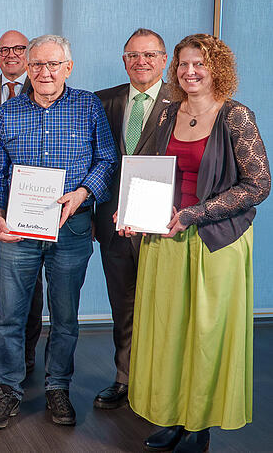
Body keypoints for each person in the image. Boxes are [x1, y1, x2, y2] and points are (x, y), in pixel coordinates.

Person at [126, 34, 270, 453]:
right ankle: (173, 417)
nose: (190, 72)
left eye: (199, 64)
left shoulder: (236, 116)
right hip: (165, 237)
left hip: (216, 242)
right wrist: (130, 210)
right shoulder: (167, 113)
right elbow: (148, 169)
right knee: (168, 333)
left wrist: (194, 214)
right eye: (184, 64)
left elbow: (258, 185)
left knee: (206, 338)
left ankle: (199, 426)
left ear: (216, 68)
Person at [0, 35, 116, 429]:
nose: (45, 72)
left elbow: (107, 160)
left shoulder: (88, 106)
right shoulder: (9, 111)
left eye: (53, 64)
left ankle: (58, 387)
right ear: (27, 67)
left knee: (65, 316)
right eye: (37, 64)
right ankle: (8, 389)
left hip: (71, 226)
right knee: (9, 316)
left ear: (68, 68)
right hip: (18, 229)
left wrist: (83, 192)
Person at [93, 28, 171, 411]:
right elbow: (94, 158)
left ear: (164, 60)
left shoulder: (183, 101)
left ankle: (161, 384)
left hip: (163, 227)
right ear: (124, 60)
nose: (141, 61)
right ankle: (125, 379)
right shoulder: (102, 101)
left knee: (163, 309)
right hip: (114, 223)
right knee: (122, 306)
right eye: (133, 55)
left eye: (149, 54)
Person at [0, 30, 44, 375]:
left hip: (36, 202)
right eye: (4, 50)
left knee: (31, 284)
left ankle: (27, 350)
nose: (11, 55)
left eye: (19, 48)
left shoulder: (44, 85)